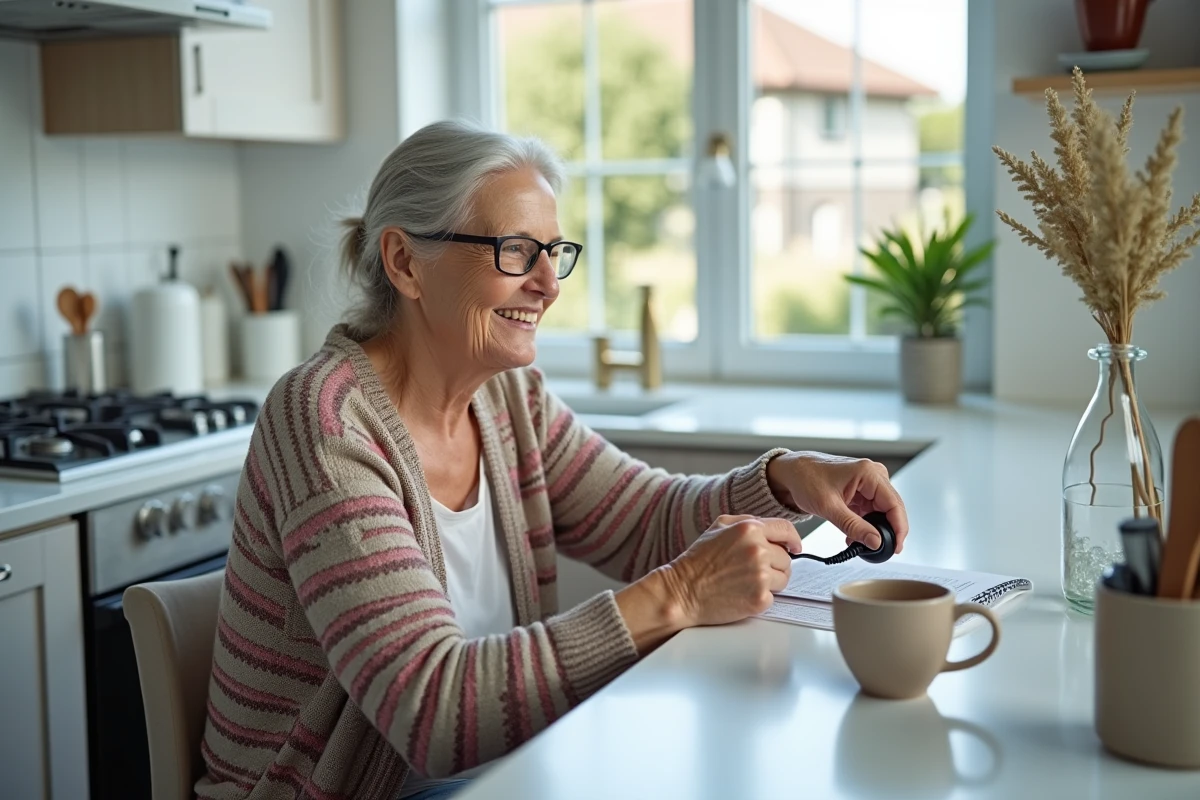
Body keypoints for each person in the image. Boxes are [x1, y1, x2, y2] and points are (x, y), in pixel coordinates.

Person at [195, 119, 909, 800]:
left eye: (555, 252)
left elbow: (642, 520)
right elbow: (432, 714)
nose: (549, 283)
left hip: (502, 770)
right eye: (515, 251)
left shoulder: (507, 399)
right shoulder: (324, 421)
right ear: (405, 262)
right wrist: (681, 593)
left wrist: (788, 480)